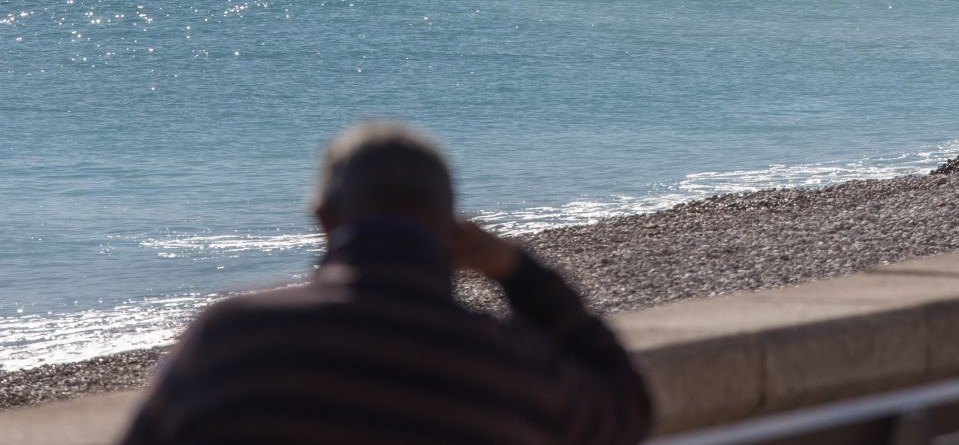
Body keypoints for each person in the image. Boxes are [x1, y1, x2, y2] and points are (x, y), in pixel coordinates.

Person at [118, 123, 652, 445]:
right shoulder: (508, 366)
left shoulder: (231, 339)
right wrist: (520, 273)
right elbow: (626, 409)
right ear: (454, 231)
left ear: (324, 218)